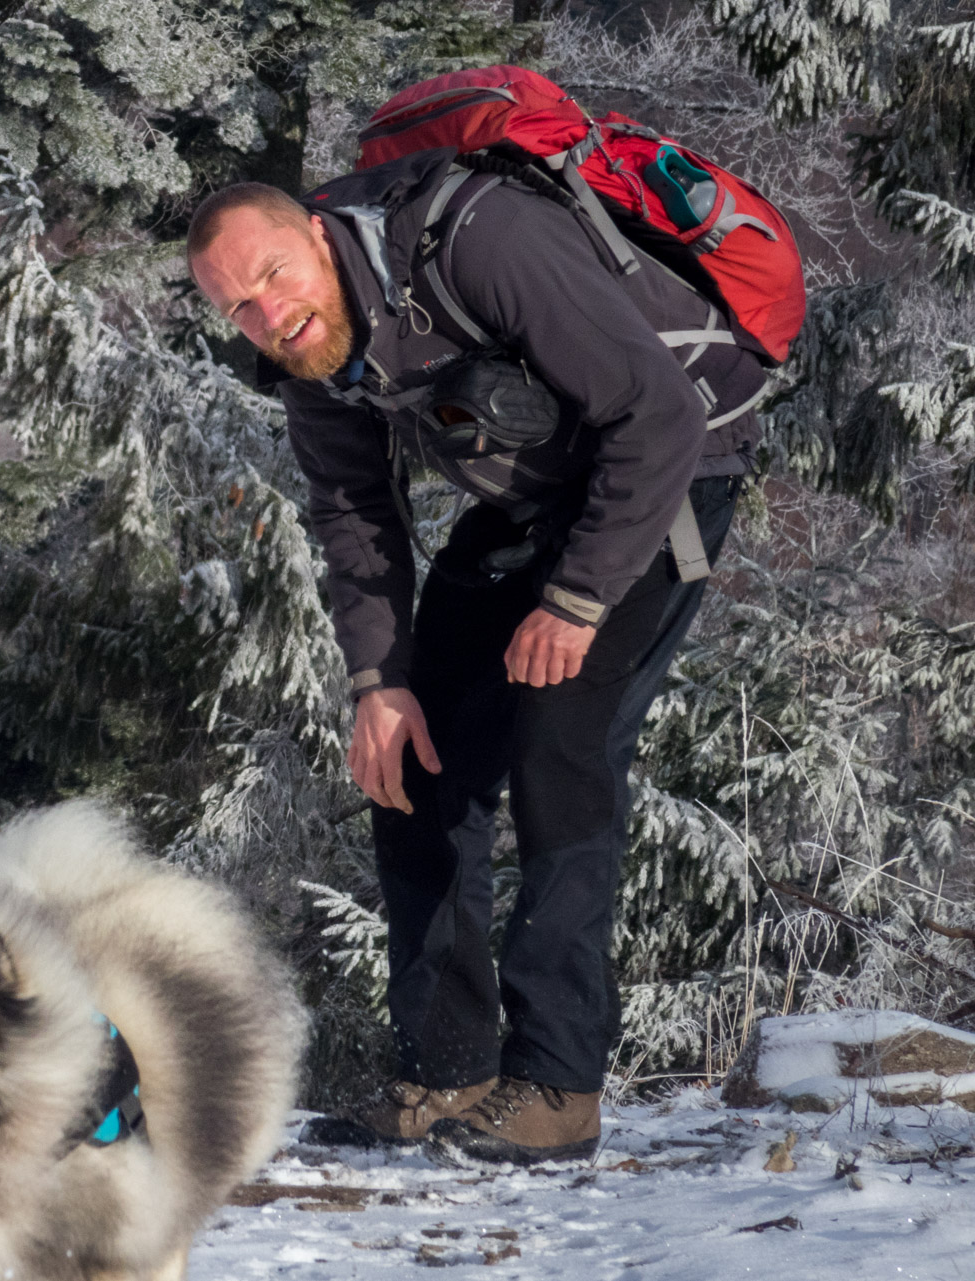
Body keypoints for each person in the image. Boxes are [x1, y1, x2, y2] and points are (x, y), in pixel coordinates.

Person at [186, 150, 768, 1165]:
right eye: (238, 308)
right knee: (413, 754)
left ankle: (557, 1084)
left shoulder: (481, 239)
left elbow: (659, 415)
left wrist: (577, 600)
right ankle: (445, 1074)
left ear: (318, 235)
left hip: (668, 476)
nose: (268, 316)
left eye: (273, 275)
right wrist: (380, 681)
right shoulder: (311, 353)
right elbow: (353, 511)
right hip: (536, 499)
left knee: (560, 744)